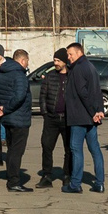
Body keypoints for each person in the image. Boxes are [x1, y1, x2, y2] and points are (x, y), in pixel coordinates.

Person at [62, 40, 106, 194]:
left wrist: (94, 111)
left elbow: (83, 93)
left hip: (80, 116)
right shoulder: (91, 67)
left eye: (70, 54)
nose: (69, 57)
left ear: (79, 53)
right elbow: (97, 91)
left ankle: (75, 184)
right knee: (95, 149)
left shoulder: (79, 68)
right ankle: (100, 183)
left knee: (76, 149)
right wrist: (98, 110)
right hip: (90, 117)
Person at [0, 48, 34, 190]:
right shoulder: (20, 75)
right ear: (22, 60)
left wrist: (0, 107)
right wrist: (6, 108)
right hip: (19, 118)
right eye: (27, 60)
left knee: (11, 150)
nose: (27, 63)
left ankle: (11, 176)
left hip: (7, 118)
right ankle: (14, 182)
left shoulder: (1, 73)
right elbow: (19, 96)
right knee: (17, 151)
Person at [36, 49, 69, 182]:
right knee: (46, 146)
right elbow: (42, 96)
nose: (55, 63)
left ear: (64, 61)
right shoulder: (50, 76)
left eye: (58, 60)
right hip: (51, 118)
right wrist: (45, 113)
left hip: (67, 119)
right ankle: (47, 175)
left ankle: (67, 175)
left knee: (69, 149)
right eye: (54, 60)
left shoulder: (72, 76)